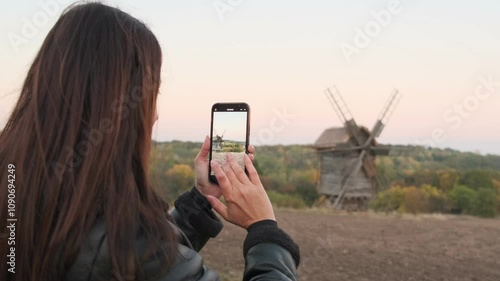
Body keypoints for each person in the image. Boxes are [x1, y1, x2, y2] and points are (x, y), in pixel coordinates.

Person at [0, 2, 300, 281]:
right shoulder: (128, 246)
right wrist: (265, 231)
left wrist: (199, 200)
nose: (154, 116)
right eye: (150, 94)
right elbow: (138, 257)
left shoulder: (18, 188)